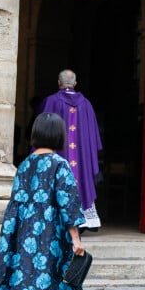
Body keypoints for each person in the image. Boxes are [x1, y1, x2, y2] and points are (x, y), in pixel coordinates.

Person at [0, 113, 103, 290]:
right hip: (50, 237)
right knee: (31, 283)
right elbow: (69, 204)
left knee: (57, 281)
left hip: (24, 234)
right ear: (59, 135)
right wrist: (76, 239)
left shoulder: (25, 164)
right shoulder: (59, 165)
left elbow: (16, 203)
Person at [38, 69, 103, 233]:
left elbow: (40, 133)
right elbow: (94, 139)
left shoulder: (50, 102)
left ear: (59, 83)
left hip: (56, 158)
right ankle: (80, 224)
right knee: (80, 177)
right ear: (75, 84)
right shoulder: (86, 104)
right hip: (81, 161)